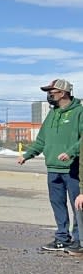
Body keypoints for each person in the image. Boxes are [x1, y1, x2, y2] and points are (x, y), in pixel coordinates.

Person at [18, 79, 83, 252]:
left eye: (51, 92)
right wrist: (27, 155)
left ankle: (79, 239)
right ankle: (62, 237)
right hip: (53, 169)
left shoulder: (79, 112)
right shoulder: (52, 114)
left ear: (62, 93)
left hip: (73, 169)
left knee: (77, 206)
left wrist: (71, 152)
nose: (49, 95)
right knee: (57, 204)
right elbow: (41, 140)